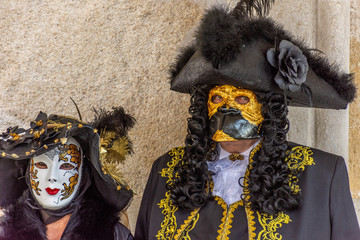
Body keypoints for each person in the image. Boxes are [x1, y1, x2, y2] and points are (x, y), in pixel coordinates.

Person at [135, 1, 360, 239]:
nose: (228, 108)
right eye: (218, 98)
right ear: (204, 106)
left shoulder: (322, 175)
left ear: (267, 108)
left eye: (242, 99)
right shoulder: (167, 170)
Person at [0, 106, 135, 240]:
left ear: (83, 174)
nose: (52, 177)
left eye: (66, 166)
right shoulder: (4, 233)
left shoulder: (114, 235)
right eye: (42, 164)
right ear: (28, 171)